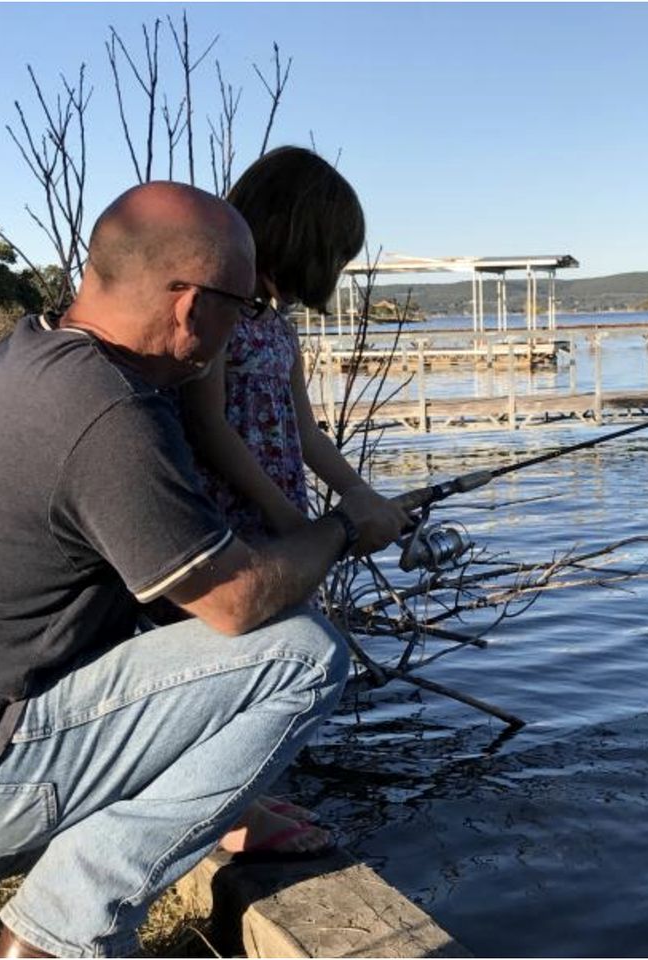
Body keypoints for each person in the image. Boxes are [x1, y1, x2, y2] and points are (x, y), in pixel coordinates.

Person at [0, 181, 403, 958]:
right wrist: (342, 528)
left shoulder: (33, 357)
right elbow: (237, 603)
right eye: (245, 306)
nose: (247, 324)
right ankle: (58, 932)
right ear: (189, 305)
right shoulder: (104, 412)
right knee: (301, 655)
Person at [179, 147, 411, 858]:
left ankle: (237, 793)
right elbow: (208, 426)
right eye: (333, 253)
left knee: (272, 651)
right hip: (227, 523)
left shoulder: (277, 327)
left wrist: (358, 494)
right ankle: (220, 813)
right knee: (226, 661)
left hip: (278, 520)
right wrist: (289, 521)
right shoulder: (218, 316)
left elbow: (305, 431)